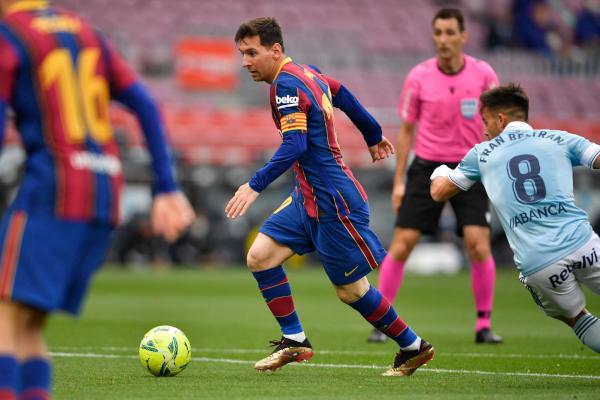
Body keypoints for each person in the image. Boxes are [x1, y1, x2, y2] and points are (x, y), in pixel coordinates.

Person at [0, 1, 195, 398]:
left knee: (4, 319)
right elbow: (145, 104)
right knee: (27, 326)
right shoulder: (87, 32)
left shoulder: (12, 34)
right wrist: (166, 186)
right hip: (104, 192)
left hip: (54, 187)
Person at [226, 17, 434, 377]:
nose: (245, 62)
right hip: (308, 196)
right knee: (260, 256)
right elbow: (342, 93)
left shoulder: (285, 85)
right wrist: (372, 133)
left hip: (333, 201)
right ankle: (295, 340)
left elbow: (295, 144)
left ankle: (413, 346)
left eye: (252, 53)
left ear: (275, 50)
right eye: (242, 53)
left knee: (351, 290)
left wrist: (255, 184)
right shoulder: (308, 72)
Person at [430, 83, 600, 353]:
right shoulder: (560, 138)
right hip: (585, 245)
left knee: (575, 317)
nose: (484, 130)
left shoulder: (482, 153)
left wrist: (438, 171)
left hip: (540, 262)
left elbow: (439, 192)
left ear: (500, 119)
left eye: (485, 121)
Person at [369, 7, 503, 344]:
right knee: (402, 244)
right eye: (438, 33)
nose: (443, 39)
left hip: (470, 166)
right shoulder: (418, 76)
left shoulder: (484, 75)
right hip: (426, 167)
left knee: (477, 244)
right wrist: (399, 181)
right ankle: (382, 322)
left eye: (449, 33)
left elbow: (497, 124)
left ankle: (484, 325)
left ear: (463, 36)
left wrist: (495, 168)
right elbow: (406, 130)